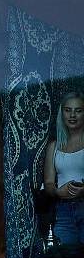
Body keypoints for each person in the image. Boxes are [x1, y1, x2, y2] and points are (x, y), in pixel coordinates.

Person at [43, 92, 84, 245]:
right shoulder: (54, 147)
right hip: (63, 211)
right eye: (68, 110)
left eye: (78, 110)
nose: (72, 115)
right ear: (62, 113)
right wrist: (58, 191)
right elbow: (48, 183)